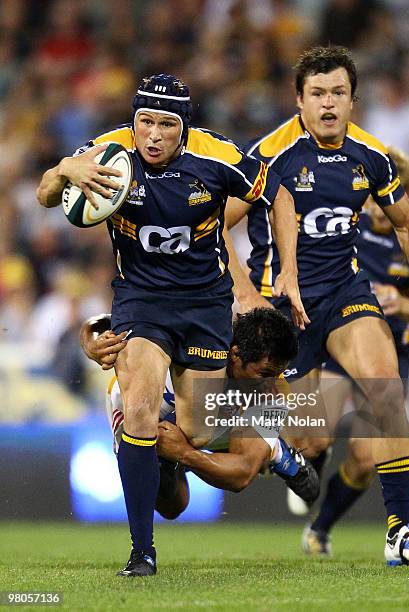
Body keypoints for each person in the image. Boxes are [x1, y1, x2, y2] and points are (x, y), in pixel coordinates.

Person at [37, 73, 306, 578]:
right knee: (138, 411)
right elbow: (45, 195)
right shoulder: (107, 153)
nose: (153, 134)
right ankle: (143, 552)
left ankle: (264, 447)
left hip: (205, 305)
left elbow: (282, 197)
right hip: (141, 301)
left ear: (184, 127)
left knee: (196, 433)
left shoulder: (218, 156)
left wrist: (287, 267)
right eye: (145, 122)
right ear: (133, 121)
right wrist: (64, 169)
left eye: (166, 124)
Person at [225, 47, 409, 566]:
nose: (328, 104)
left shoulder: (371, 155)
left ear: (352, 99)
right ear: (299, 99)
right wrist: (244, 291)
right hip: (284, 306)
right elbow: (214, 224)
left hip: (344, 292)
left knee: (383, 384)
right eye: (318, 94)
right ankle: (294, 458)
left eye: (338, 94)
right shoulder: (268, 155)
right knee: (308, 434)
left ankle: (401, 532)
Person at [300, 146, 409, 556]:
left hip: (391, 347)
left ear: (406, 196)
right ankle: (312, 456)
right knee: (312, 431)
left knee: (365, 458)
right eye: (373, 200)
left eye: (388, 202)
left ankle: (320, 528)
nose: (379, 212)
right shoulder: (346, 219)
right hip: (341, 333)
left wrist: (404, 305)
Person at [80, 308, 319, 526]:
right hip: (143, 409)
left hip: (217, 426)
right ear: (235, 354)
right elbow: (100, 322)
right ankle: (272, 452)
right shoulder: (200, 333)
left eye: (276, 375)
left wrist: (184, 453)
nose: (272, 385)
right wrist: (92, 345)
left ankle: (274, 452)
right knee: (173, 505)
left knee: (256, 453)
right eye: (265, 373)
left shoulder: (272, 392)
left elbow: (241, 474)